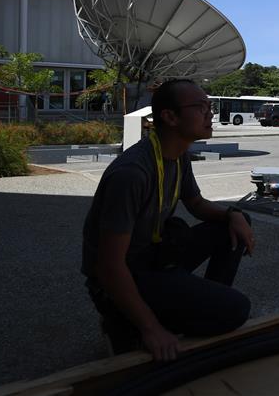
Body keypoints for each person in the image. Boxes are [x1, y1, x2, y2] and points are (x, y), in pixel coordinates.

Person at [82, 79, 255, 361]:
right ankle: (124, 322)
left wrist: (233, 214)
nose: (210, 113)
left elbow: (196, 204)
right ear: (170, 117)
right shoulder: (132, 173)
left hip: (154, 257)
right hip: (124, 275)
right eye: (200, 107)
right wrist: (151, 329)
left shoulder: (177, 154)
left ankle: (201, 308)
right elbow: (108, 266)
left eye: (209, 107)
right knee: (237, 310)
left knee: (234, 222)